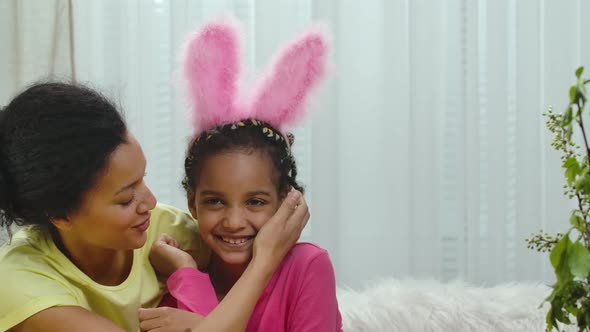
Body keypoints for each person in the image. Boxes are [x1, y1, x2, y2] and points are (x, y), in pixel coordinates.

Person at [0, 82, 309, 332]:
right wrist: (265, 259)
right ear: (60, 215)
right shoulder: (21, 283)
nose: (149, 202)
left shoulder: (173, 234)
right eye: (125, 198)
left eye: (142, 179)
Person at [138, 20, 342, 332]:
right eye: (215, 201)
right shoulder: (174, 271)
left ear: (285, 200)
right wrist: (187, 273)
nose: (234, 221)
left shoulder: (307, 267)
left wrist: (198, 321)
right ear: (192, 202)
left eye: (256, 202)